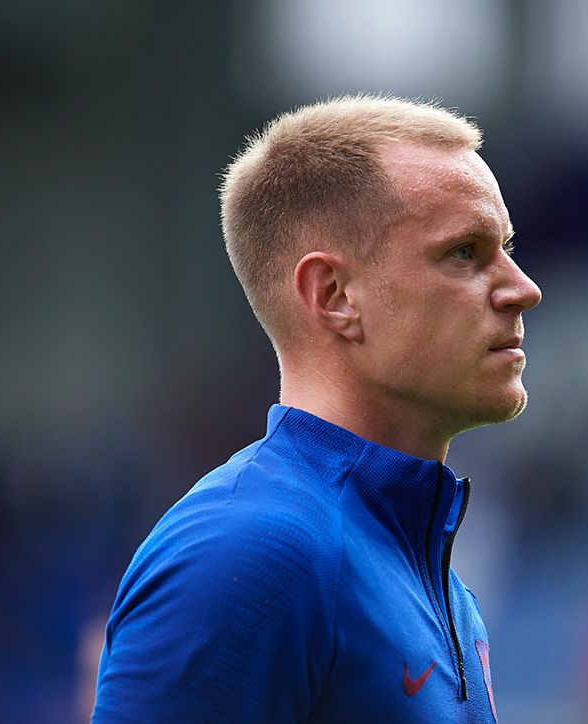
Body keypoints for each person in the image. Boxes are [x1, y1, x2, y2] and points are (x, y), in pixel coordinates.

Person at [91, 95, 541, 722]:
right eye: (465, 252)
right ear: (334, 296)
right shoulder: (244, 554)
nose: (524, 287)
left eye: (506, 248)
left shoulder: (423, 571)